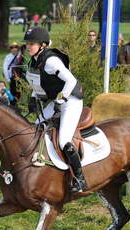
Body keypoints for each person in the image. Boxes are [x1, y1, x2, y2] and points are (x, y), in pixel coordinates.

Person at [24, 27, 87, 192]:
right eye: (27, 44)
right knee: (36, 126)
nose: (28, 47)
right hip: (57, 100)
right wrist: (33, 97)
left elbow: (71, 81)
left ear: (43, 45)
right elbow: (40, 81)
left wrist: (61, 99)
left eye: (32, 44)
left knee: (64, 140)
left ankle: (80, 179)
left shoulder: (51, 61)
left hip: (71, 100)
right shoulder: (35, 60)